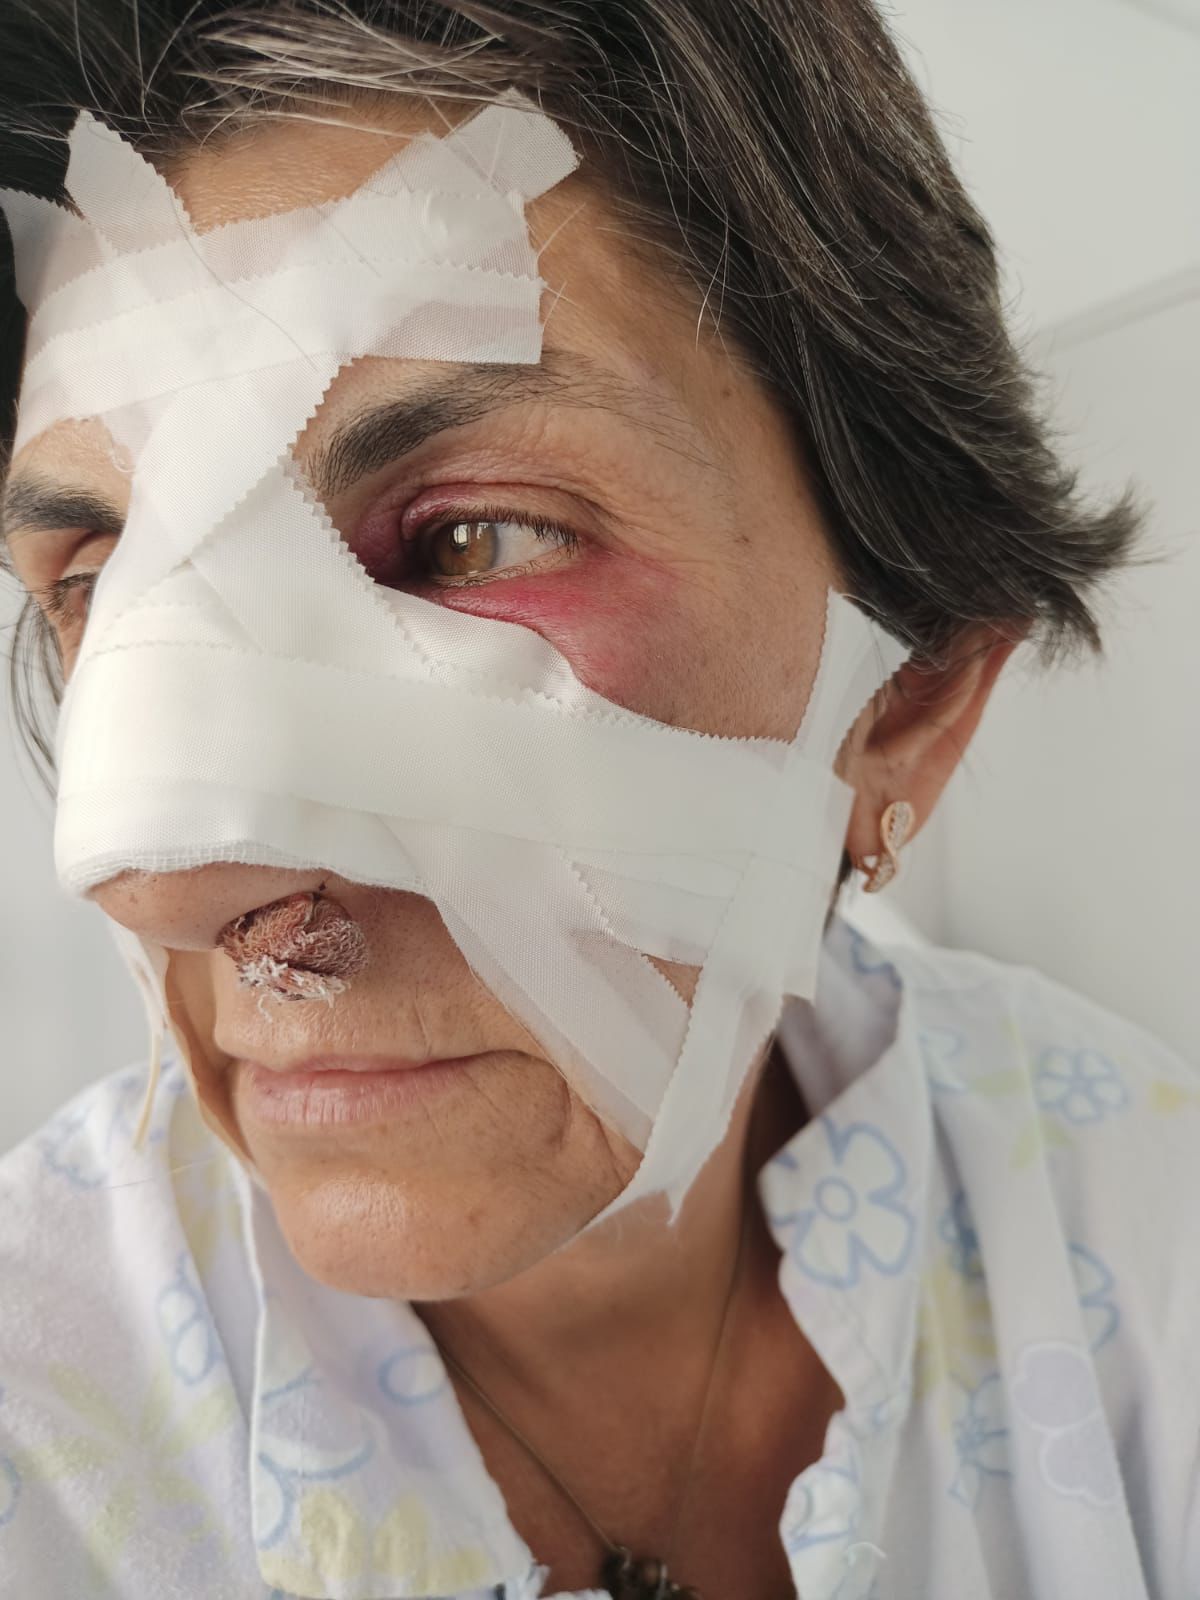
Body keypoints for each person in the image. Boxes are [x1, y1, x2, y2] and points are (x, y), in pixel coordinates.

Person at [0, 4, 1193, 1599]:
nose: (158, 872)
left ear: (906, 703)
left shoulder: (1147, 1230)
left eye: (468, 543)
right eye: (96, 583)